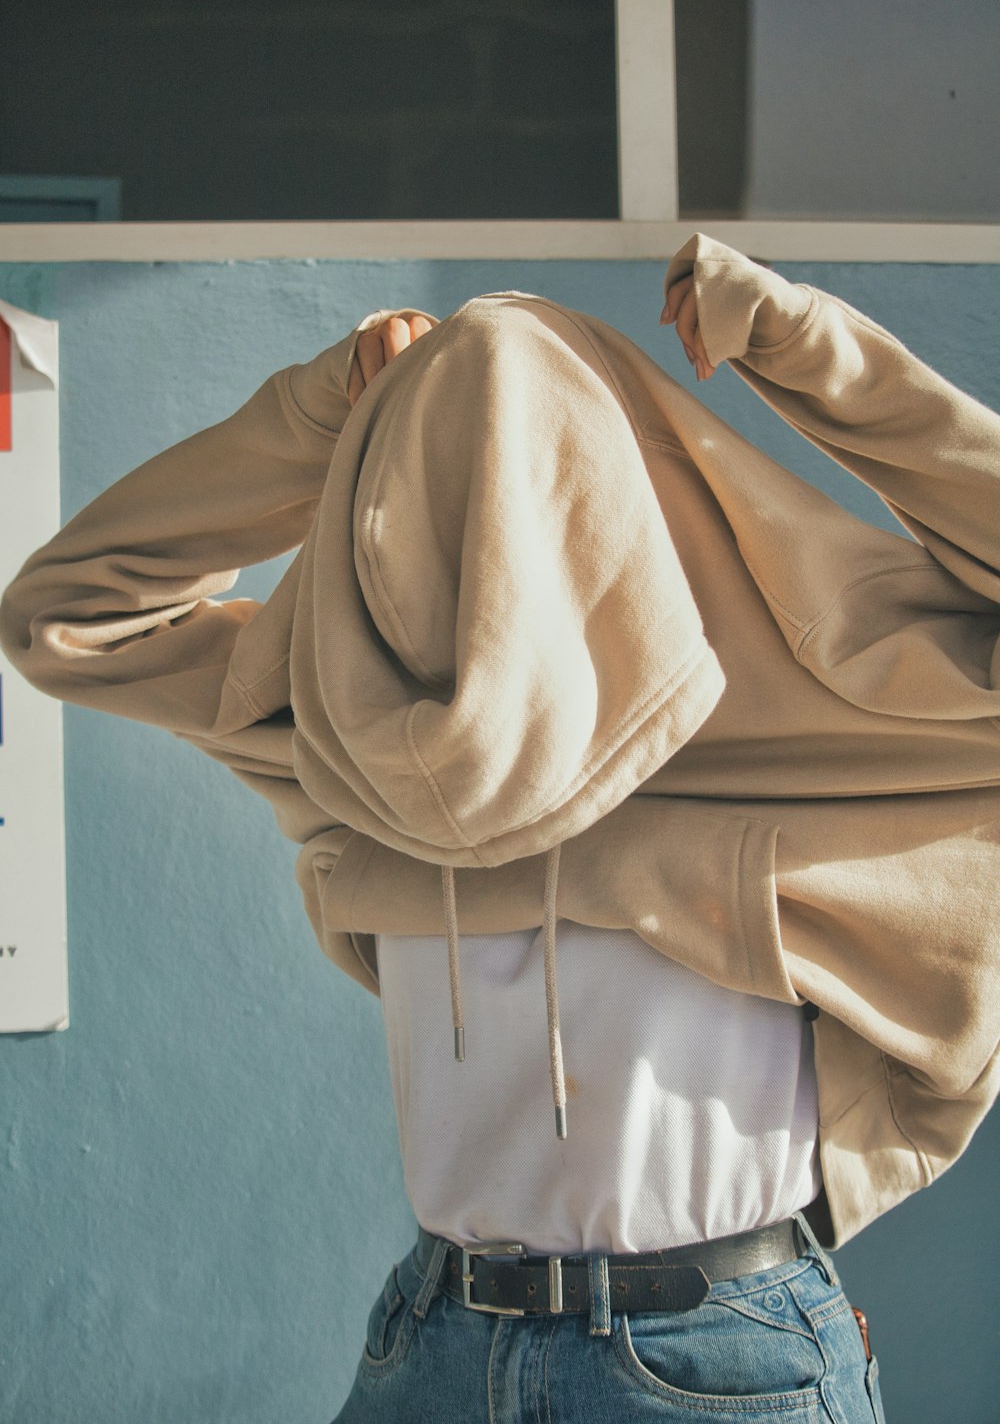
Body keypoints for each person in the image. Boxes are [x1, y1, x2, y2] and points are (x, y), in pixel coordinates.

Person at [2, 235, 998, 1423]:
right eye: (441, 482)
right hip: (435, 1336)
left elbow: (69, 614)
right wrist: (324, 410)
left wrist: (801, 344)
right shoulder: (347, 727)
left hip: (718, 1349)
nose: (484, 532)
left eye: (524, 481)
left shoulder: (811, 726)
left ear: (609, 494)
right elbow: (62, 616)